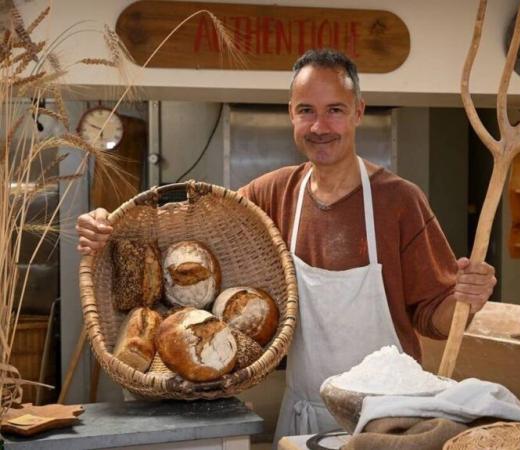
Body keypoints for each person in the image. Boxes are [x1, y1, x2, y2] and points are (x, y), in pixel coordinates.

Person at [76, 49, 497, 445]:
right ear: (291, 115)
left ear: (358, 113)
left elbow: (435, 321)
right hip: (305, 416)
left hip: (390, 422)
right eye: (306, 111)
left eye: (335, 110)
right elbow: (182, 239)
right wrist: (106, 226)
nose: (320, 126)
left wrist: (467, 298)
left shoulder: (400, 201)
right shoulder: (275, 193)